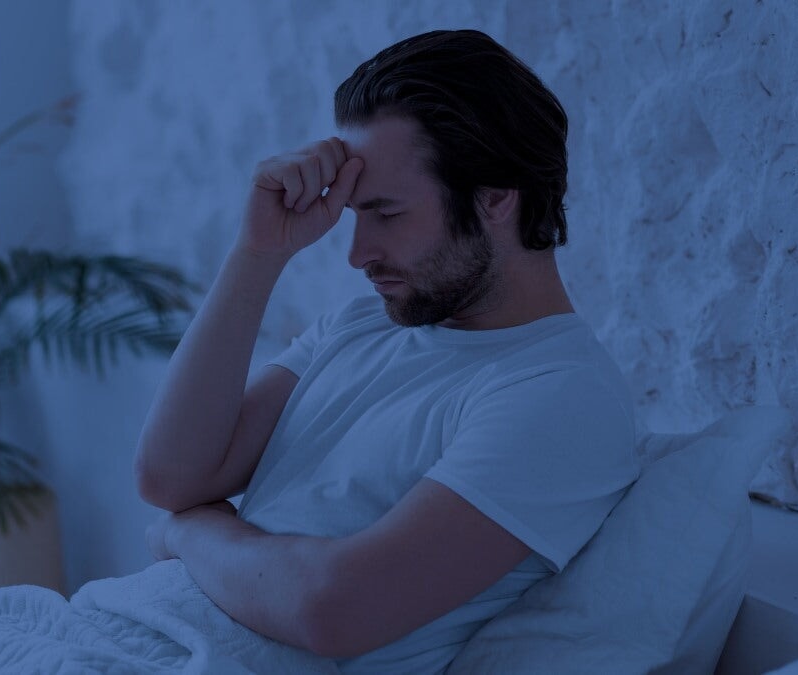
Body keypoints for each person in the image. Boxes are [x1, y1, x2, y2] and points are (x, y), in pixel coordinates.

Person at [135, 29, 640, 673]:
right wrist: (259, 253)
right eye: (352, 214)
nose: (355, 254)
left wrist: (190, 531)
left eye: (387, 213)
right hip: (120, 630)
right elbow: (169, 477)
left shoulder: (560, 393)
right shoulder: (361, 326)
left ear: (495, 197)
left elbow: (334, 610)